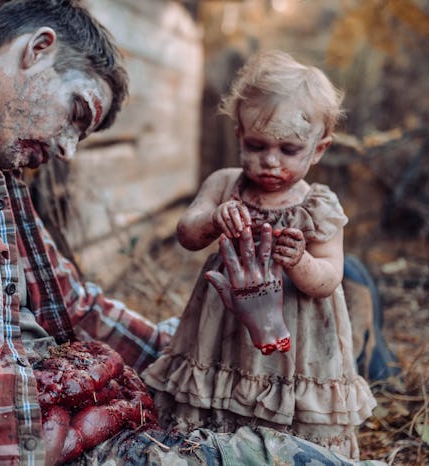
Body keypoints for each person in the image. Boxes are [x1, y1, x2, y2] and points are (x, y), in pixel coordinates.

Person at [0, 1, 385, 463]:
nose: (66, 151)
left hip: (64, 410)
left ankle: (355, 349)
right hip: (14, 445)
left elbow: (73, 307)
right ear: (38, 49)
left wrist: (205, 351)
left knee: (342, 283)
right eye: (77, 115)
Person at [142, 50, 377, 460]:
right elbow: (187, 234)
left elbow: (329, 278)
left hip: (295, 340)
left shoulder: (318, 205)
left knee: (288, 419)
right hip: (223, 331)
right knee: (216, 406)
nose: (270, 160)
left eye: (289, 149)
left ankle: (285, 450)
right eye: (257, 145)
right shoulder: (224, 184)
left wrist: (301, 262)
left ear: (318, 150)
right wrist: (214, 219)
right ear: (239, 134)